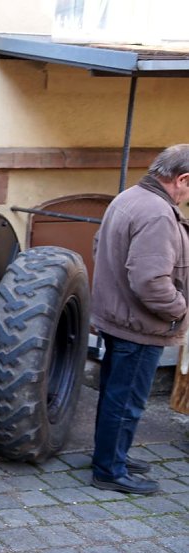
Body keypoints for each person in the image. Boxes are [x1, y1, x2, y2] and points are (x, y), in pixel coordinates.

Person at [90, 144, 189, 494]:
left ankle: (111, 455)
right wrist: (181, 310)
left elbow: (100, 246)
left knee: (116, 395)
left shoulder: (130, 196)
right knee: (127, 400)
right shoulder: (158, 213)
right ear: (182, 179)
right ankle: (109, 470)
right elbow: (150, 280)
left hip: (121, 318)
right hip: (140, 326)